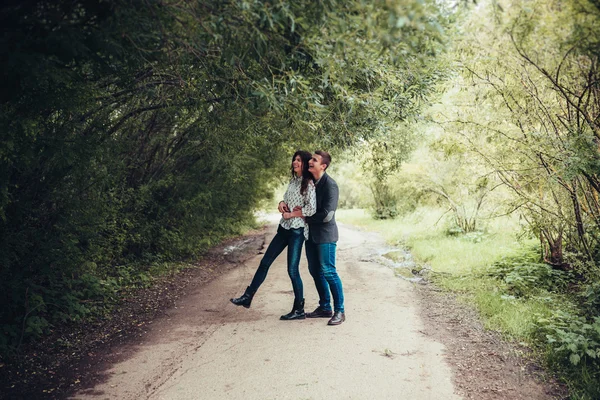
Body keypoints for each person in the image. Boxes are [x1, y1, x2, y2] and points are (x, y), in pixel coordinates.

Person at [230, 150, 316, 320]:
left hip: (297, 231)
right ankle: (248, 297)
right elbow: (285, 199)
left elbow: (311, 209)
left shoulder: (309, 184)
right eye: (294, 159)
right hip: (284, 228)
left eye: (298, 160)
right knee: (265, 262)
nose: (295, 162)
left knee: (292, 270)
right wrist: (281, 204)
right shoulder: (293, 181)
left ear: (305, 163)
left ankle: (299, 309)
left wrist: (292, 215)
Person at [293, 150, 346, 326]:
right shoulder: (309, 183)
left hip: (326, 236)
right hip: (311, 235)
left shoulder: (330, 185)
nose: (310, 162)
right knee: (315, 271)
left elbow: (327, 215)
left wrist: (304, 216)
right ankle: (325, 307)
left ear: (323, 165)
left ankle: (340, 311)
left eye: (314, 160)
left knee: (329, 271)